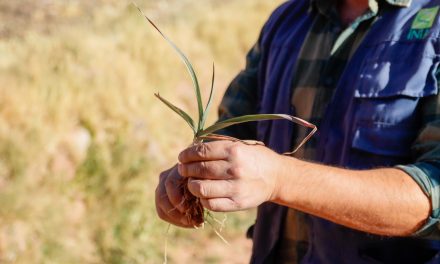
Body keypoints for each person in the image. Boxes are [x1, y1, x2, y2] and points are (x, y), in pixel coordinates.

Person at [155, 0, 440, 263]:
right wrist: (188, 176)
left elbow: (433, 194)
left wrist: (281, 179)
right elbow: (232, 128)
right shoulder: (287, 21)